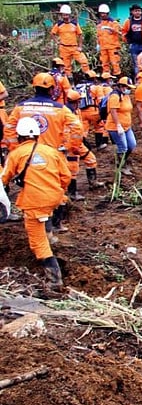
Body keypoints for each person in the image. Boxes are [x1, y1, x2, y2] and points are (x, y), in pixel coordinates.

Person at [1, 117, 71, 291]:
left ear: (19, 136)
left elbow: (4, 178)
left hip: (34, 201)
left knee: (37, 241)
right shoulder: (51, 151)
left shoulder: (16, 154)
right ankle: (50, 234)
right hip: (54, 198)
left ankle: (55, 280)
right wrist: (54, 191)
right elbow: (66, 176)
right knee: (44, 216)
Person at [64, 89, 102, 200]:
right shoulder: (64, 113)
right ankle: (72, 193)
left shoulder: (77, 111)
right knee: (73, 169)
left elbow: (80, 128)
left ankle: (93, 182)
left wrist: (84, 140)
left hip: (78, 143)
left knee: (91, 160)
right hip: (69, 145)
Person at [105, 76, 137, 176]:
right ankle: (120, 166)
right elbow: (113, 111)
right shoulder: (115, 96)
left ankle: (124, 161)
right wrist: (118, 125)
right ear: (121, 86)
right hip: (116, 127)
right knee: (123, 147)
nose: (129, 90)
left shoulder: (125, 96)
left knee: (132, 145)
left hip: (127, 127)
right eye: (127, 88)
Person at [50, 5, 90, 78]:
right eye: (64, 15)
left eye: (66, 14)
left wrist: (80, 46)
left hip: (74, 47)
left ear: (69, 15)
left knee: (84, 61)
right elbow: (52, 33)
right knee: (66, 66)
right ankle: (69, 81)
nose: (65, 16)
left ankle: (88, 77)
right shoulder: (59, 25)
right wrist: (57, 42)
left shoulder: (74, 24)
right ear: (61, 15)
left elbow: (80, 35)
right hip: (64, 48)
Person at [96, 4, 122, 77]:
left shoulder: (113, 22)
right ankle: (106, 77)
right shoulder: (99, 24)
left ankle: (118, 78)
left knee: (115, 63)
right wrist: (98, 44)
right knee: (104, 63)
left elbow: (118, 32)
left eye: (104, 13)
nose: (102, 15)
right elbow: (98, 35)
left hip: (112, 47)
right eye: (101, 13)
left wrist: (110, 29)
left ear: (107, 13)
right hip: (103, 47)